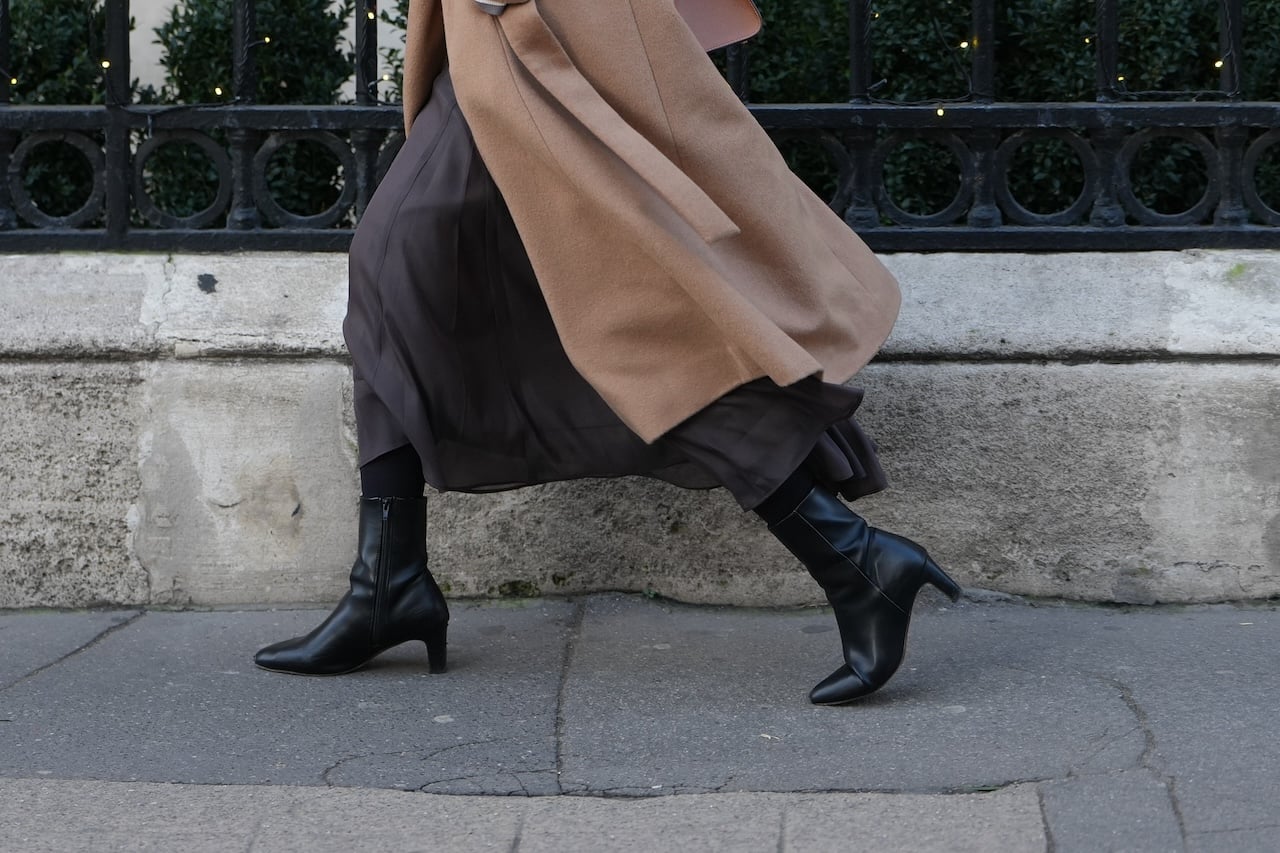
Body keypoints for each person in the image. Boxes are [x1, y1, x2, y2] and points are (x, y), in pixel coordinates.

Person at [253, 0, 961, 705]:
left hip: (540, 18)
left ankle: (856, 559)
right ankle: (388, 578)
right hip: (491, 22)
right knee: (432, 275)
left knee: (619, 305)